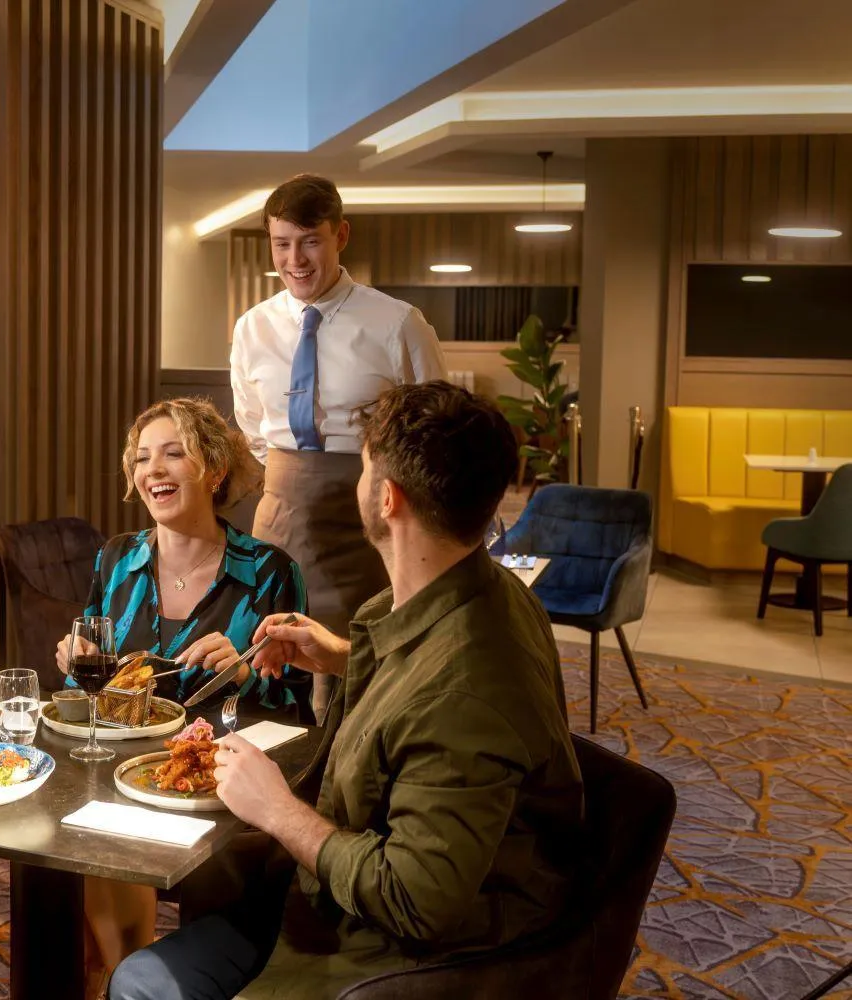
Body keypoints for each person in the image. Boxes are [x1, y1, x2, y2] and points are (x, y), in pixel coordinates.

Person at [110, 382, 584, 1000]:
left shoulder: (464, 692)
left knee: (144, 984)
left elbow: (414, 900)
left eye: (360, 469)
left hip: (411, 956)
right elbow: (426, 680)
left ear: (386, 499)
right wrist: (338, 655)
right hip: (354, 895)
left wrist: (279, 812)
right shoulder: (490, 593)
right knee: (199, 904)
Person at [53, 397, 308, 997]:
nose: (153, 470)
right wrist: (75, 661)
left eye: (174, 454)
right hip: (120, 778)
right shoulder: (117, 558)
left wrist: (245, 677)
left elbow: (298, 719)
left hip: (215, 794)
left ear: (214, 470)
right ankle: (120, 977)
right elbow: (87, 687)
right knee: (71, 842)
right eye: (142, 458)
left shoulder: (270, 570)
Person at [231, 173, 447, 721]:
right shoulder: (251, 328)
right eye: (282, 244)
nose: (295, 260)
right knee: (270, 649)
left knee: (357, 662)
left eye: (310, 241)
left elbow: (435, 429)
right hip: (279, 513)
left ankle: (346, 785)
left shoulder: (397, 322)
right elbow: (254, 427)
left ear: (341, 235)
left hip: (370, 516)